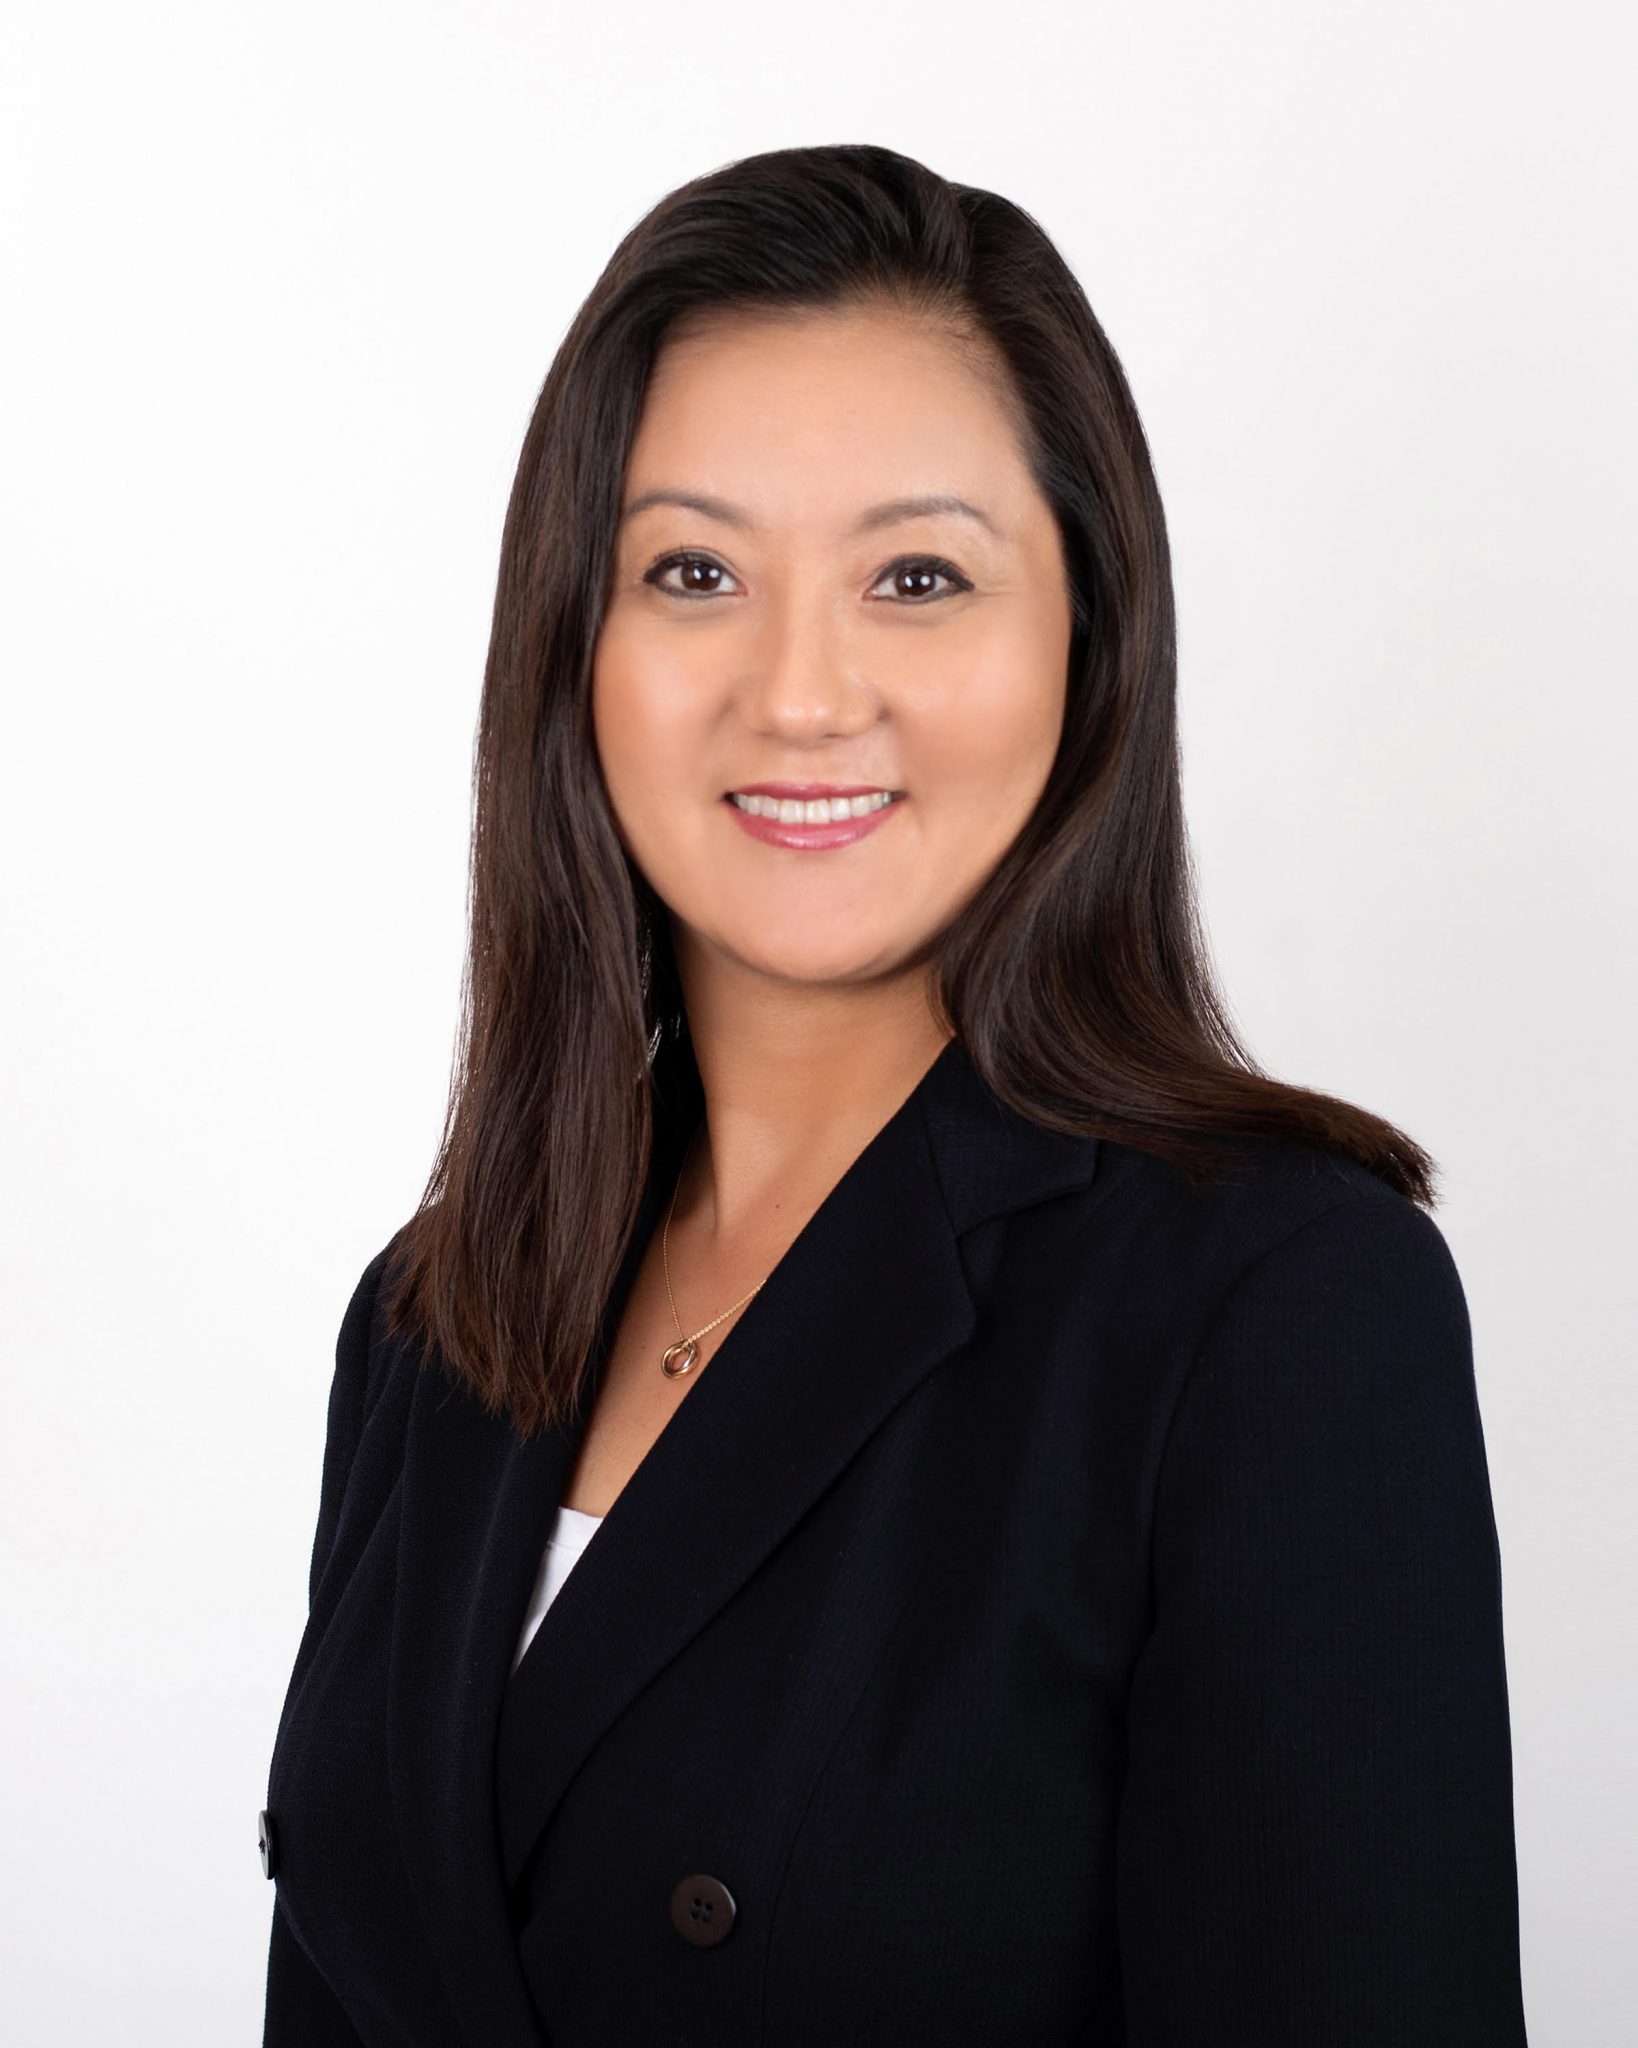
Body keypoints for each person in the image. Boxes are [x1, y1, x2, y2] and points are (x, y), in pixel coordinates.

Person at [260, 142, 1528, 2046]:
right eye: (692, 572)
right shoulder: (434, 1318)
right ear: (571, 651)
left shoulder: (1272, 1309)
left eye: (916, 577)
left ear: (1084, 643)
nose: (798, 690)